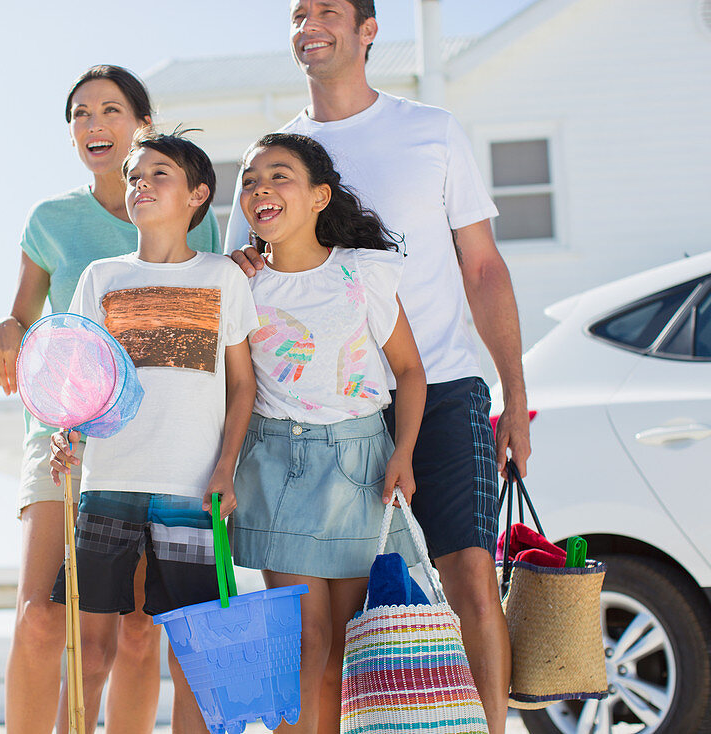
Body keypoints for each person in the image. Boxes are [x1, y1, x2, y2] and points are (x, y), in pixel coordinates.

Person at [227, 2, 532, 731]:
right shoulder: (274, 158)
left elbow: (483, 268)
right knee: (341, 620)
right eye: (299, 13)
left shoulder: (431, 131)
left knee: (468, 579)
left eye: (329, 9)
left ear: (368, 31)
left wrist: (514, 395)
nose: (310, 22)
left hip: (443, 383)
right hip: (326, 419)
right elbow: (243, 279)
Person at [0, 65, 220, 734]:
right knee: (39, 617)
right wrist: (5, 333)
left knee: (139, 631)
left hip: (156, 451)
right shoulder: (52, 220)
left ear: (142, 124)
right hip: (65, 438)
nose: (94, 123)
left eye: (111, 110)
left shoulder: (194, 221)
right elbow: (22, 315)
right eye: (81, 112)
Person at [49, 130, 258, 734]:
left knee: (193, 654)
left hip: (191, 490)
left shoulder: (223, 277)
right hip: (107, 481)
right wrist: (69, 433)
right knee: (89, 653)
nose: (140, 184)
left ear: (198, 195)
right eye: (134, 175)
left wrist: (225, 468)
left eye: (158, 174)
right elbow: (84, 381)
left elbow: (242, 384)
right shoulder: (101, 277)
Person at [231, 132, 429, 733]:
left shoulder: (360, 273)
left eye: (279, 175)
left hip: (358, 464)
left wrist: (405, 454)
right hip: (275, 464)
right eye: (249, 179)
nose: (260, 187)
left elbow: (411, 371)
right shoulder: (236, 283)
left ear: (319, 196)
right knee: (303, 643)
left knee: (345, 648)